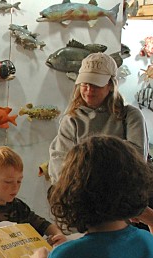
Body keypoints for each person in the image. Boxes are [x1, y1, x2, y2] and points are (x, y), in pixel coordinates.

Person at [49, 52, 147, 184]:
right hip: (80, 191)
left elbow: (137, 161)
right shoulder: (71, 120)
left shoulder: (131, 116)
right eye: (85, 84)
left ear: (111, 85)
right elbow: (59, 165)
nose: (89, 90)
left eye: (96, 85)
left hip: (121, 192)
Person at [0, 146, 67, 246]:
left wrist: (58, 235)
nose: (15, 187)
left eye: (19, 181)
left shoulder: (19, 206)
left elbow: (44, 225)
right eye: (8, 182)